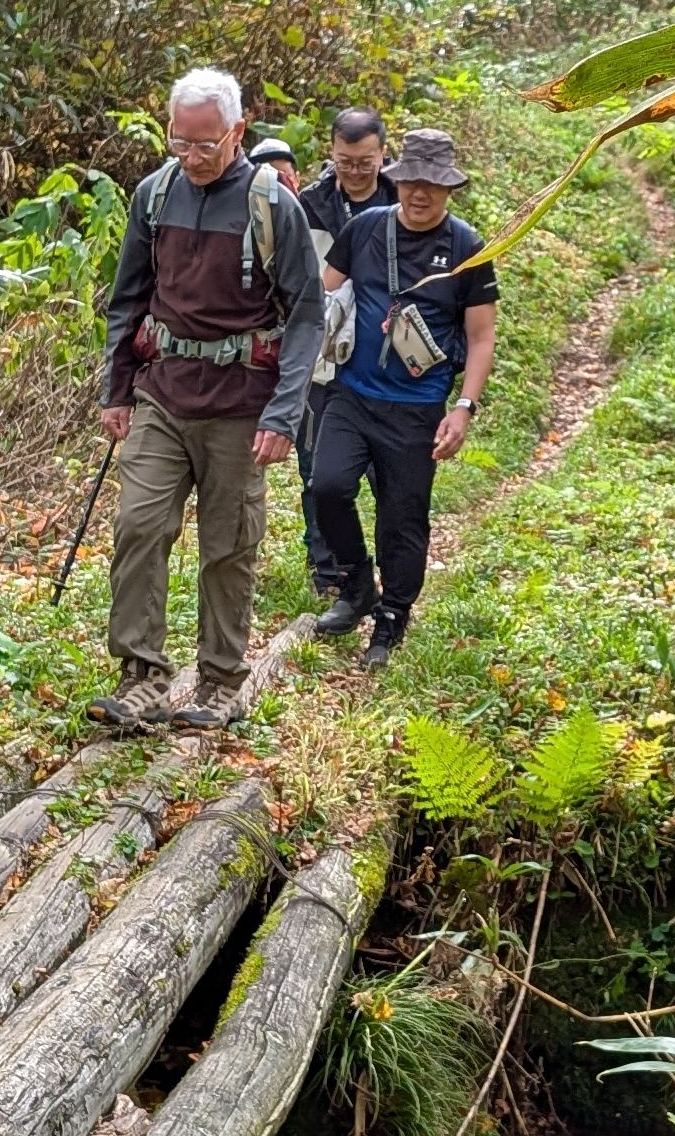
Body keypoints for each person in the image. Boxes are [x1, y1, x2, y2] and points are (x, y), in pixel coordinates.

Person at [94, 67, 322, 732]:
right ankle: (141, 676)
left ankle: (222, 679)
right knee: (138, 526)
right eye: (179, 142)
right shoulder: (155, 194)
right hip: (162, 395)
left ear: (238, 132)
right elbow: (128, 297)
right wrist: (117, 390)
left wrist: (283, 415)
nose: (190, 158)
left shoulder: (272, 204)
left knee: (228, 545)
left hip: (240, 406)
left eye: (205, 145)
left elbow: (307, 315)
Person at [310, 126, 498, 673]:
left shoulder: (467, 248)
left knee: (403, 515)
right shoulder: (364, 230)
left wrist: (463, 408)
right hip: (351, 392)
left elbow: (482, 336)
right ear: (398, 179)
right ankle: (356, 584)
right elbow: (321, 292)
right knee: (327, 486)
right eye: (412, 181)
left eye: (433, 186)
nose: (420, 194)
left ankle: (393, 614)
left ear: (450, 189)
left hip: (417, 406)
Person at [295, 106, 391, 612]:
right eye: (345, 161)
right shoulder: (308, 206)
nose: (354, 171)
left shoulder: (404, 201)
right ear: (331, 155)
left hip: (384, 359)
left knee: (385, 474)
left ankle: (389, 572)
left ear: (383, 155)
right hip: (320, 358)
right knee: (317, 468)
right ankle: (329, 572)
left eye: (365, 162)